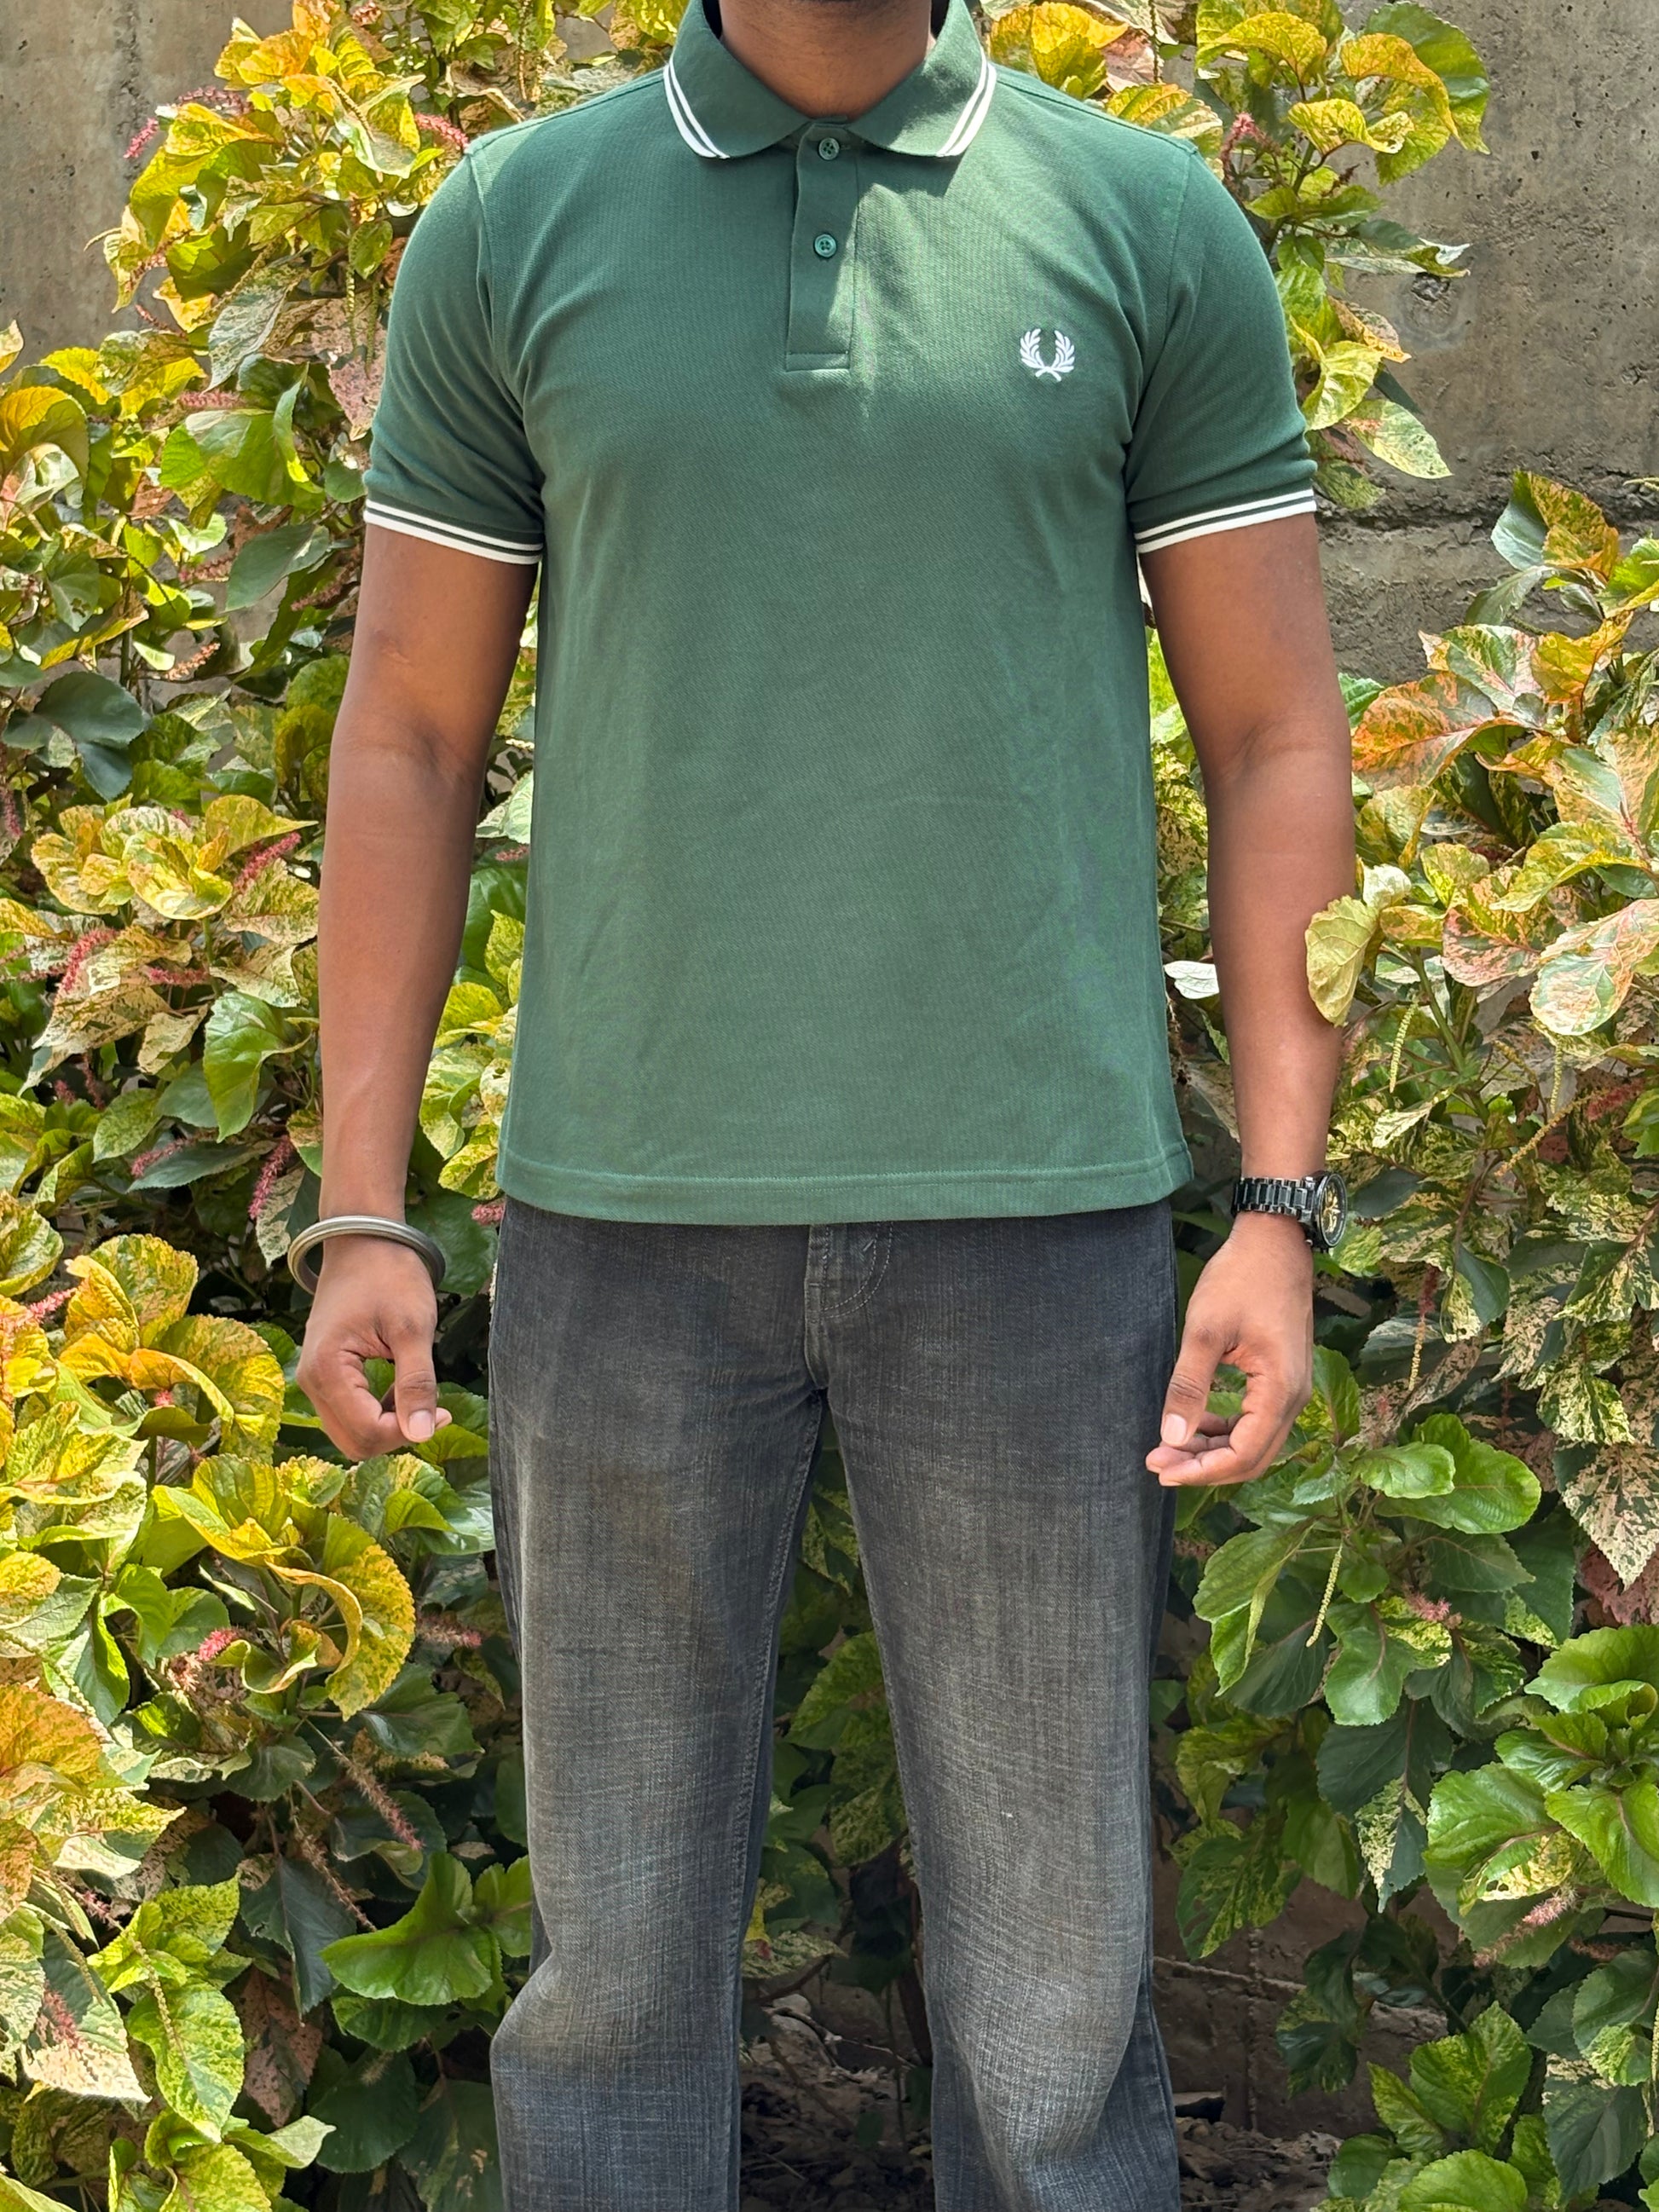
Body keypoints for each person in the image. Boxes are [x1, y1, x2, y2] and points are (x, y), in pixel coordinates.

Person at [293, 0, 1356, 2197]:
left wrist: (1279, 1202)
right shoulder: (517, 223)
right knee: (609, 1990)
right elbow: (407, 733)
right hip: (622, 1229)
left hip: (1036, 1227)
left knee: (1057, 2025)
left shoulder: (1140, 221)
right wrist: (363, 1209)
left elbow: (1276, 736)